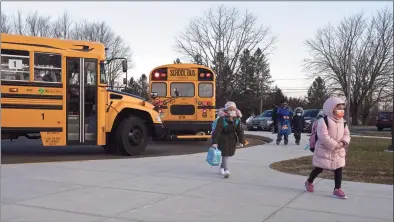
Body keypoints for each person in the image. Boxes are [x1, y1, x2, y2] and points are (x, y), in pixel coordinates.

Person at [304, 97, 351, 199]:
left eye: (343, 108)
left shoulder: (343, 122)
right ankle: (309, 181)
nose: (341, 111)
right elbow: (323, 136)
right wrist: (334, 145)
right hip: (324, 149)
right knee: (319, 168)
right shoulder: (324, 121)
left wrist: (343, 143)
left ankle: (337, 189)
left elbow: (347, 134)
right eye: (338, 108)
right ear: (331, 108)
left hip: (339, 150)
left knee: (338, 168)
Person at [212, 101, 246, 178]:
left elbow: (240, 131)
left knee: (227, 154)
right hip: (222, 138)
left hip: (232, 139)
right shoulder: (221, 119)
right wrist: (215, 142)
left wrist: (241, 141)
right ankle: (226, 170)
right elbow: (217, 131)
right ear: (226, 110)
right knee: (225, 154)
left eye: (233, 109)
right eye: (230, 109)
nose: (232, 111)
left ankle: (221, 168)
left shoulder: (237, 119)